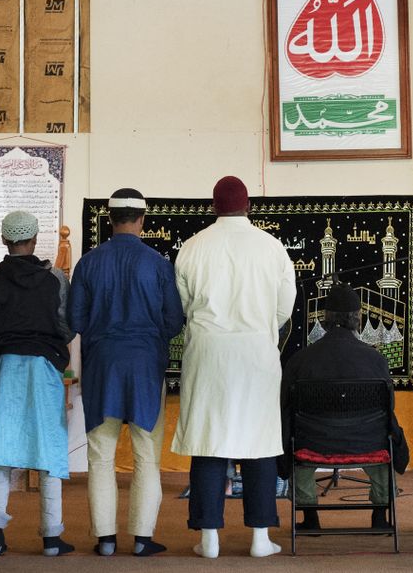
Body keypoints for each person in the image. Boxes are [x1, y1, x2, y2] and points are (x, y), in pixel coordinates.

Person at [172, 175, 296, 559]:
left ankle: (208, 539)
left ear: (213, 207)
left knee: (210, 444)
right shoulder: (272, 247)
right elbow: (283, 309)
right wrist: (256, 328)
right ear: (249, 207)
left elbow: (183, 307)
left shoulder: (192, 248)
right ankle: (260, 538)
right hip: (256, 354)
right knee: (259, 445)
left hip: (208, 354)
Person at [70, 188, 184, 557]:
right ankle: (141, 539)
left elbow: (75, 320)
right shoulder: (158, 263)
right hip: (145, 366)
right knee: (146, 456)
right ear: (142, 220)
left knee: (100, 455)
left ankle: (104, 539)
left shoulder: (88, 263)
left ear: (109, 219)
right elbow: (174, 321)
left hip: (102, 365)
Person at [0, 211, 75, 558]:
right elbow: (67, 326)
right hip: (45, 368)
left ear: (5, 240)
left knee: (0, 453)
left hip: (4, 367)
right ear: (34, 240)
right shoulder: (56, 279)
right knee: (48, 452)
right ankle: (50, 537)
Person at [280, 279, 409, 530]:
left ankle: (309, 517)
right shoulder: (376, 360)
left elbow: (286, 407)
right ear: (357, 319)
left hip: (313, 442)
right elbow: (387, 409)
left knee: (295, 438)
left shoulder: (301, 360)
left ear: (325, 319)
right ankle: (380, 517)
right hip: (367, 441)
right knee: (387, 437)